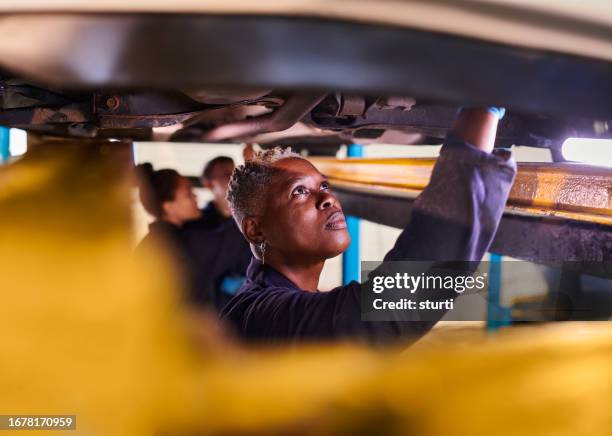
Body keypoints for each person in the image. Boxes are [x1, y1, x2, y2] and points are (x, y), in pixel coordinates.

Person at [220, 107, 517, 344]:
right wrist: (481, 113)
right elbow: (385, 310)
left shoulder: (267, 304)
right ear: (255, 230)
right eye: (299, 191)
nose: (327, 198)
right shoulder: (260, 317)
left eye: (324, 185)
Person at [180, 156, 252, 311]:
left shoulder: (251, 223)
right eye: (226, 175)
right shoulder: (195, 227)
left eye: (236, 172)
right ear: (208, 184)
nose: (234, 179)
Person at [134, 163, 202, 291]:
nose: (195, 197)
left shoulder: (156, 241)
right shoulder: (171, 245)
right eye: (188, 194)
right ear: (168, 206)